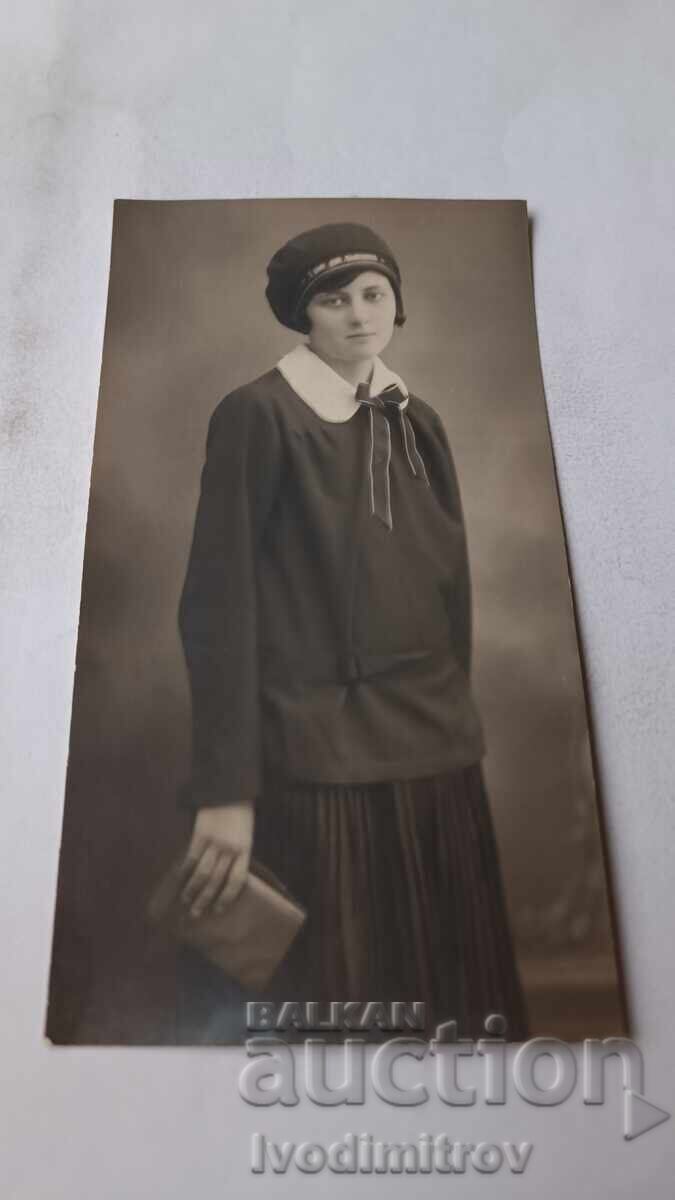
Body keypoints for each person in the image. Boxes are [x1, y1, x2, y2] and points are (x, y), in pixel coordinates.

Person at [174, 222, 529, 1043]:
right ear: (303, 318)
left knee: (449, 998)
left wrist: (454, 718)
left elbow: (451, 594)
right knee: (338, 1001)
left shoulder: (418, 421)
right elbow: (216, 605)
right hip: (316, 751)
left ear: (397, 303)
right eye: (333, 301)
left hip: (433, 747)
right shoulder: (256, 416)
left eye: (373, 295)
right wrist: (226, 786)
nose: (359, 315)